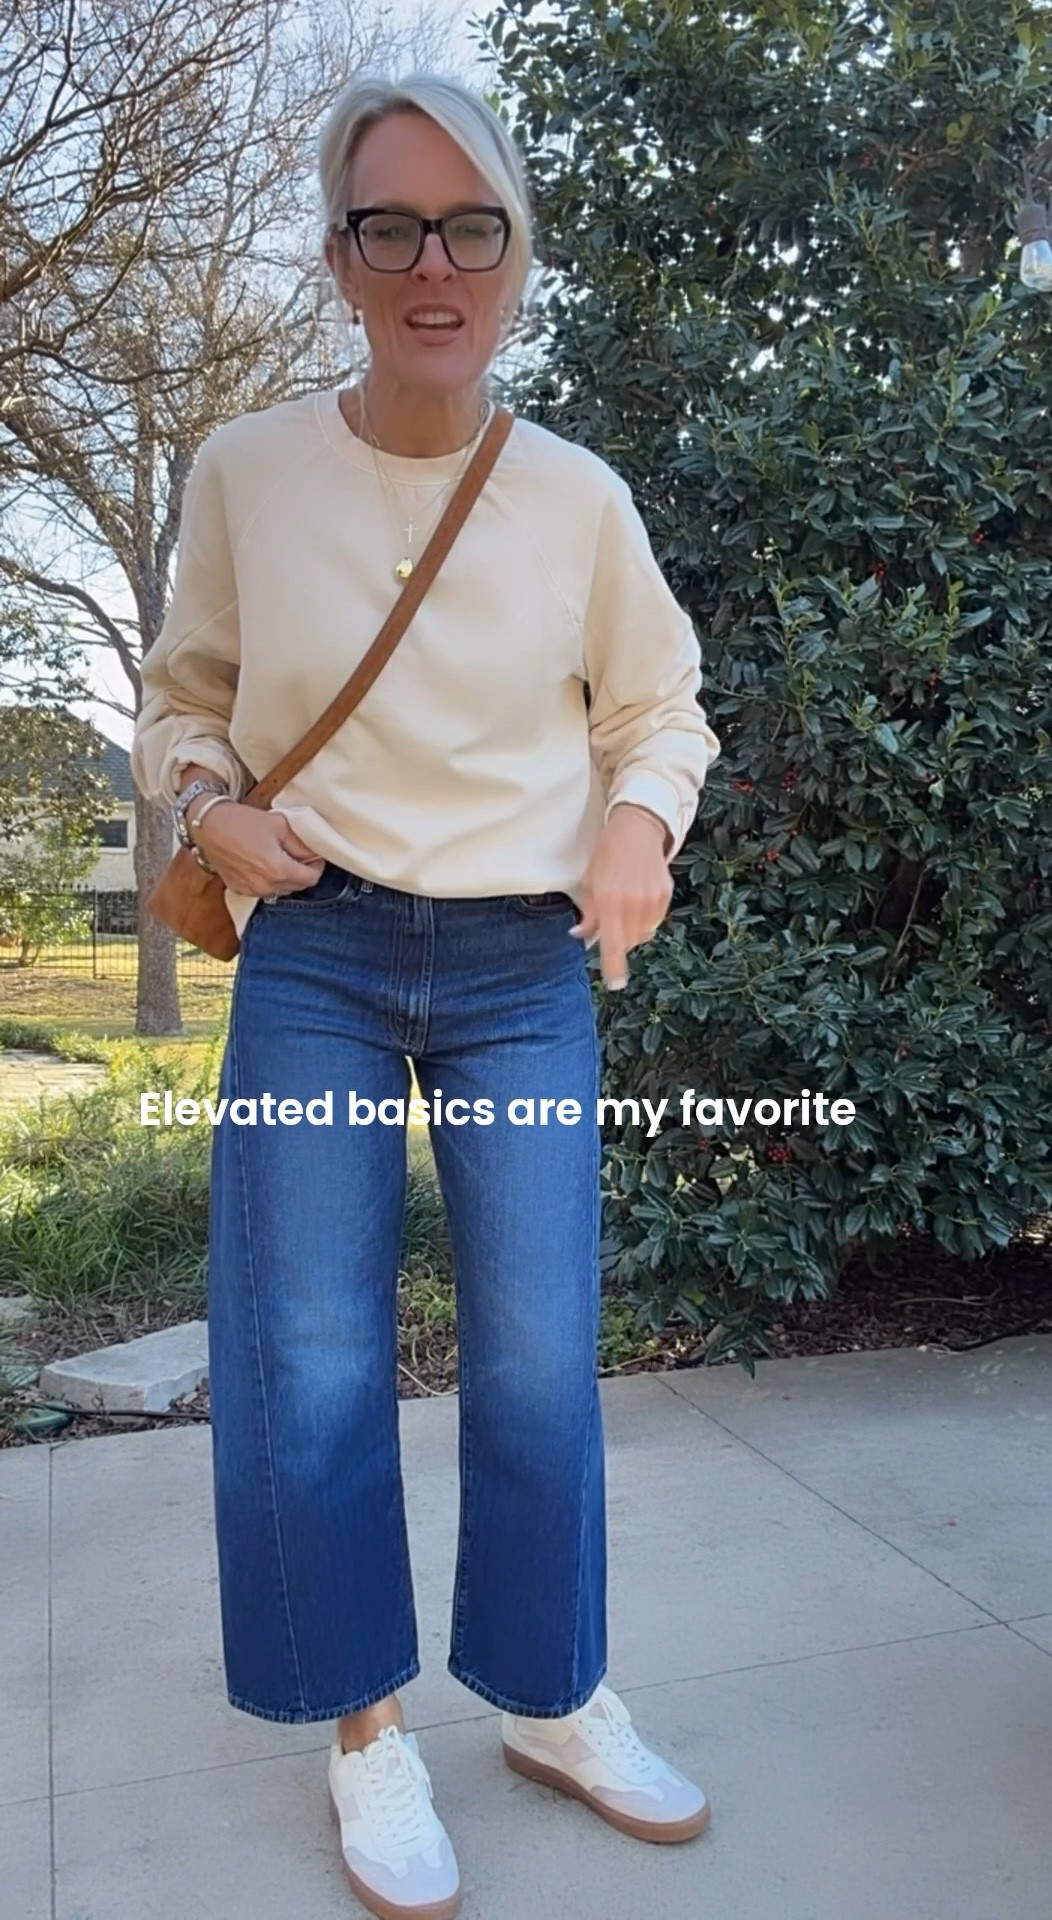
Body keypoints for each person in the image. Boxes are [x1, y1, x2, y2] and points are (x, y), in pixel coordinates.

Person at [131, 69, 721, 1920]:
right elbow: (182, 699)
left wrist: (637, 824)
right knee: (308, 1353)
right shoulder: (246, 472)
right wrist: (210, 811)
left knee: (539, 1348)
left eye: (472, 227)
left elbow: (662, 710)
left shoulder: (576, 498)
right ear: (340, 257)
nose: (433, 265)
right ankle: (366, 1730)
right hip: (316, 950)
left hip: (518, 967)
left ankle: (550, 1697)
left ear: (517, 255)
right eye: (390, 227)